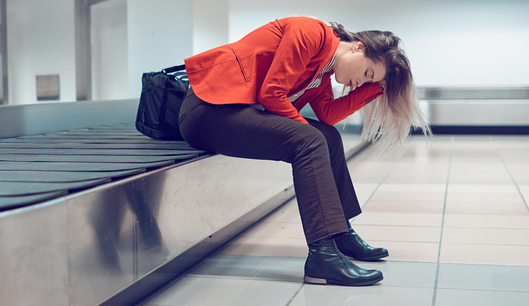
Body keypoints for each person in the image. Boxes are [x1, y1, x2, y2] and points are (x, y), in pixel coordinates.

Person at [178, 16, 427, 286]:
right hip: (207, 110)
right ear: (358, 47)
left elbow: (328, 115)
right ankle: (323, 257)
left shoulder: (322, 73)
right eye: (367, 73)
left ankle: (340, 234)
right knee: (311, 139)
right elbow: (272, 94)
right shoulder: (310, 33)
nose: (360, 82)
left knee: (328, 136)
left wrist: (376, 89)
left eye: (369, 80)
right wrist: (309, 134)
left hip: (235, 112)